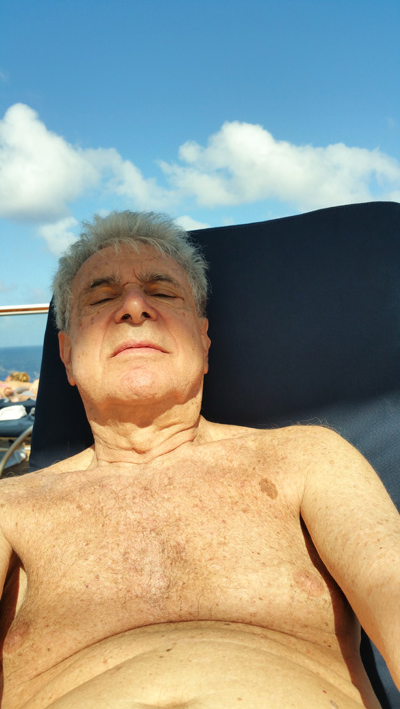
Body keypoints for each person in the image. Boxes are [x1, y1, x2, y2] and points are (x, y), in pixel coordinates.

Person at [0, 211, 399, 709]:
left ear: (204, 342)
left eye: (163, 292)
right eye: (101, 298)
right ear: (66, 355)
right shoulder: (11, 506)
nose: (134, 307)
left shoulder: (306, 458)